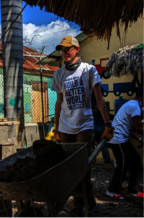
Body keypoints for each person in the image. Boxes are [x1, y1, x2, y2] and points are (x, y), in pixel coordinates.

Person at [51, 36, 114, 216]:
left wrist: (107, 124)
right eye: (62, 50)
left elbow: (100, 99)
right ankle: (83, 200)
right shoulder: (59, 74)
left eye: (68, 49)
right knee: (68, 168)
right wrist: (56, 129)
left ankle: (82, 202)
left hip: (84, 126)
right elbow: (58, 103)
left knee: (82, 166)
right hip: (64, 128)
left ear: (77, 49)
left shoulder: (89, 70)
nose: (65, 53)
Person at [106, 87, 144, 199]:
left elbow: (130, 129)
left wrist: (139, 139)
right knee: (122, 164)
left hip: (122, 138)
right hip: (117, 139)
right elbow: (139, 128)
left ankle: (133, 190)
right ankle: (112, 191)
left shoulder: (133, 104)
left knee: (136, 160)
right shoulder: (135, 107)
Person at [91, 88, 115, 171]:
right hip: (92, 128)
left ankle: (107, 164)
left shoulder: (101, 102)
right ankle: (93, 164)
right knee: (91, 147)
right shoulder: (89, 102)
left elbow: (107, 114)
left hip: (101, 128)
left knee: (103, 146)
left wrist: (116, 117)